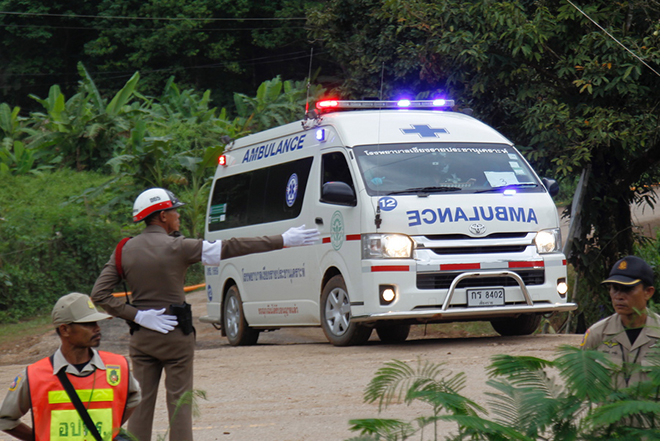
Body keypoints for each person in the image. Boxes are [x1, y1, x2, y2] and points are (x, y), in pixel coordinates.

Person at [90, 187, 319, 441]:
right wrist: (283, 240)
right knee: (180, 403)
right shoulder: (180, 246)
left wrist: (138, 316)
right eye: (175, 211)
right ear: (162, 216)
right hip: (176, 337)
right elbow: (233, 247)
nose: (178, 216)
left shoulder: (125, 250)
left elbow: (99, 294)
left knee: (141, 405)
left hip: (142, 338)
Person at [0, 292, 141, 441]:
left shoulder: (118, 366)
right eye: (88, 324)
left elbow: (134, 397)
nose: (98, 328)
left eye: (96, 323)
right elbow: (6, 419)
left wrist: (109, 431)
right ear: (64, 330)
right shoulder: (33, 375)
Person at [580, 255, 660, 387]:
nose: (619, 296)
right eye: (615, 289)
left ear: (648, 292)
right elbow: (582, 384)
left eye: (628, 289)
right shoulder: (597, 334)